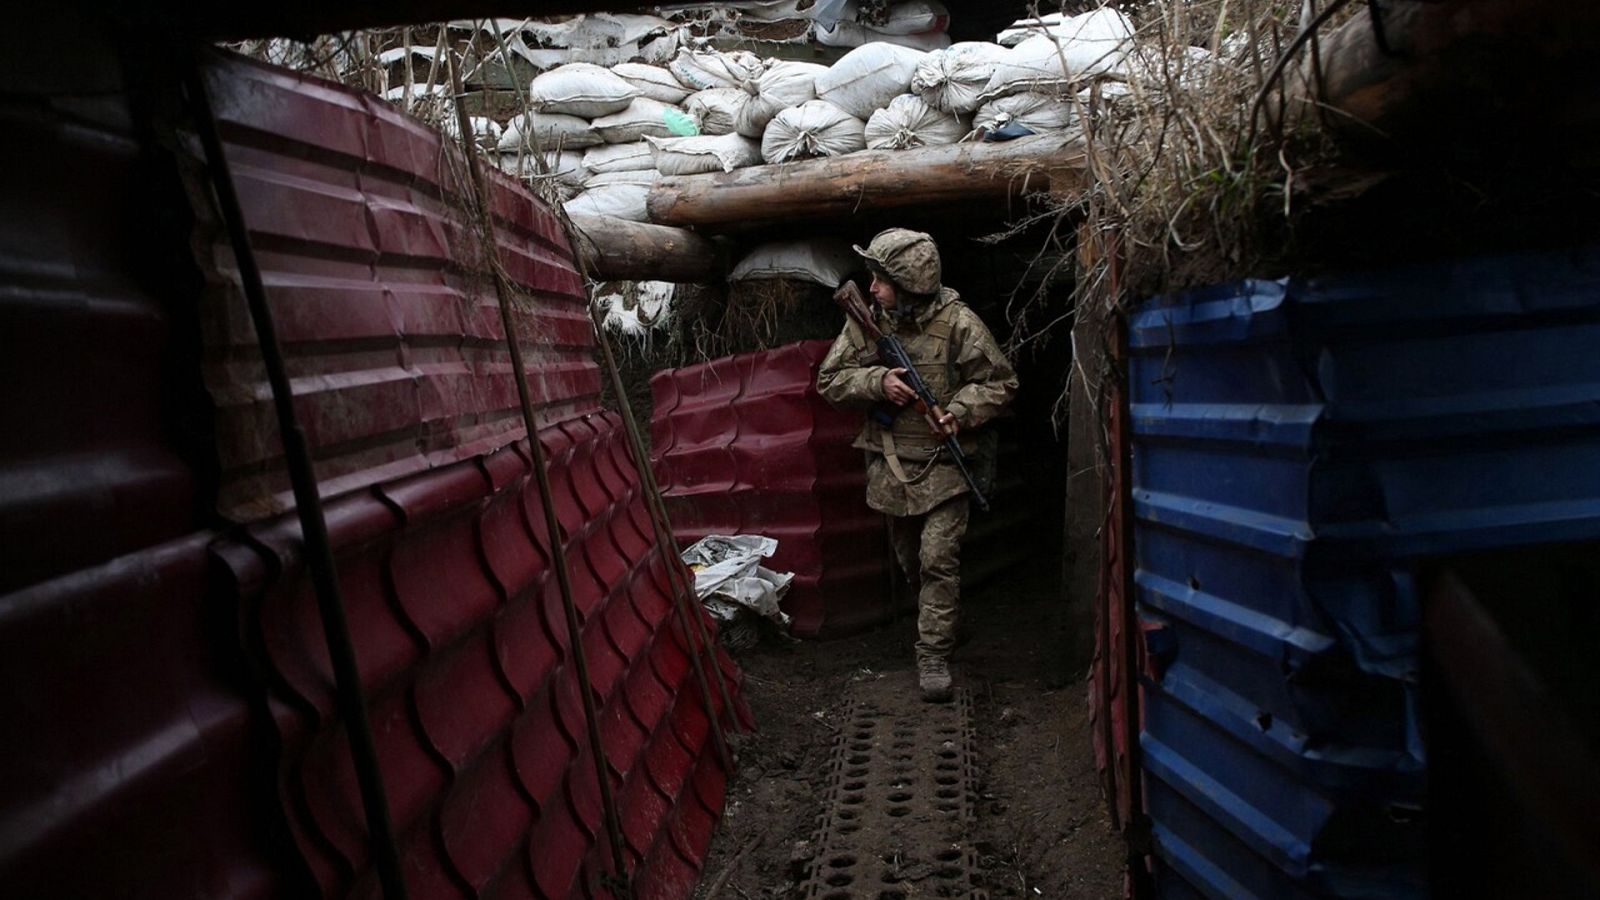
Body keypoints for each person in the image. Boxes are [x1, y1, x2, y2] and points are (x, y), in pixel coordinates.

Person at [817, 228, 1018, 702]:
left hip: (946, 463)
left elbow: (1001, 382)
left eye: (881, 279)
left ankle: (932, 655)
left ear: (909, 283)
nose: (872, 287)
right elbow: (830, 380)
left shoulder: (958, 323)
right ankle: (944, 621)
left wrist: (961, 411)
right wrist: (876, 381)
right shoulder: (868, 321)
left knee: (937, 560)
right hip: (893, 463)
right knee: (911, 559)